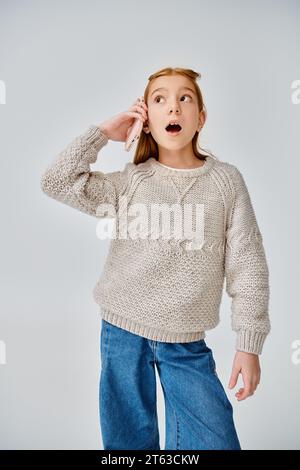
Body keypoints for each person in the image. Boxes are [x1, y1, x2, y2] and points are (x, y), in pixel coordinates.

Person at [40, 66, 271, 450]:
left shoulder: (226, 183)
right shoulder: (131, 181)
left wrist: (249, 343)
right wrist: (102, 133)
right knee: (128, 446)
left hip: (186, 344)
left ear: (201, 117)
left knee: (217, 441)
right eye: (159, 100)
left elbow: (248, 264)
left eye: (185, 98)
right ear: (146, 120)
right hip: (122, 334)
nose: (174, 108)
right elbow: (56, 181)